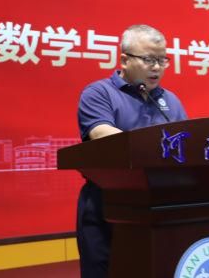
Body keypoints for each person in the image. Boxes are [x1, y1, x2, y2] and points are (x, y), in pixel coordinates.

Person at [76, 24, 187, 278]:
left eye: (162, 60)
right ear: (125, 60)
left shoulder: (170, 100)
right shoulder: (99, 92)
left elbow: (186, 144)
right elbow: (101, 134)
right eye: (148, 59)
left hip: (161, 203)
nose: (157, 67)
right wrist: (154, 149)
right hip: (109, 204)